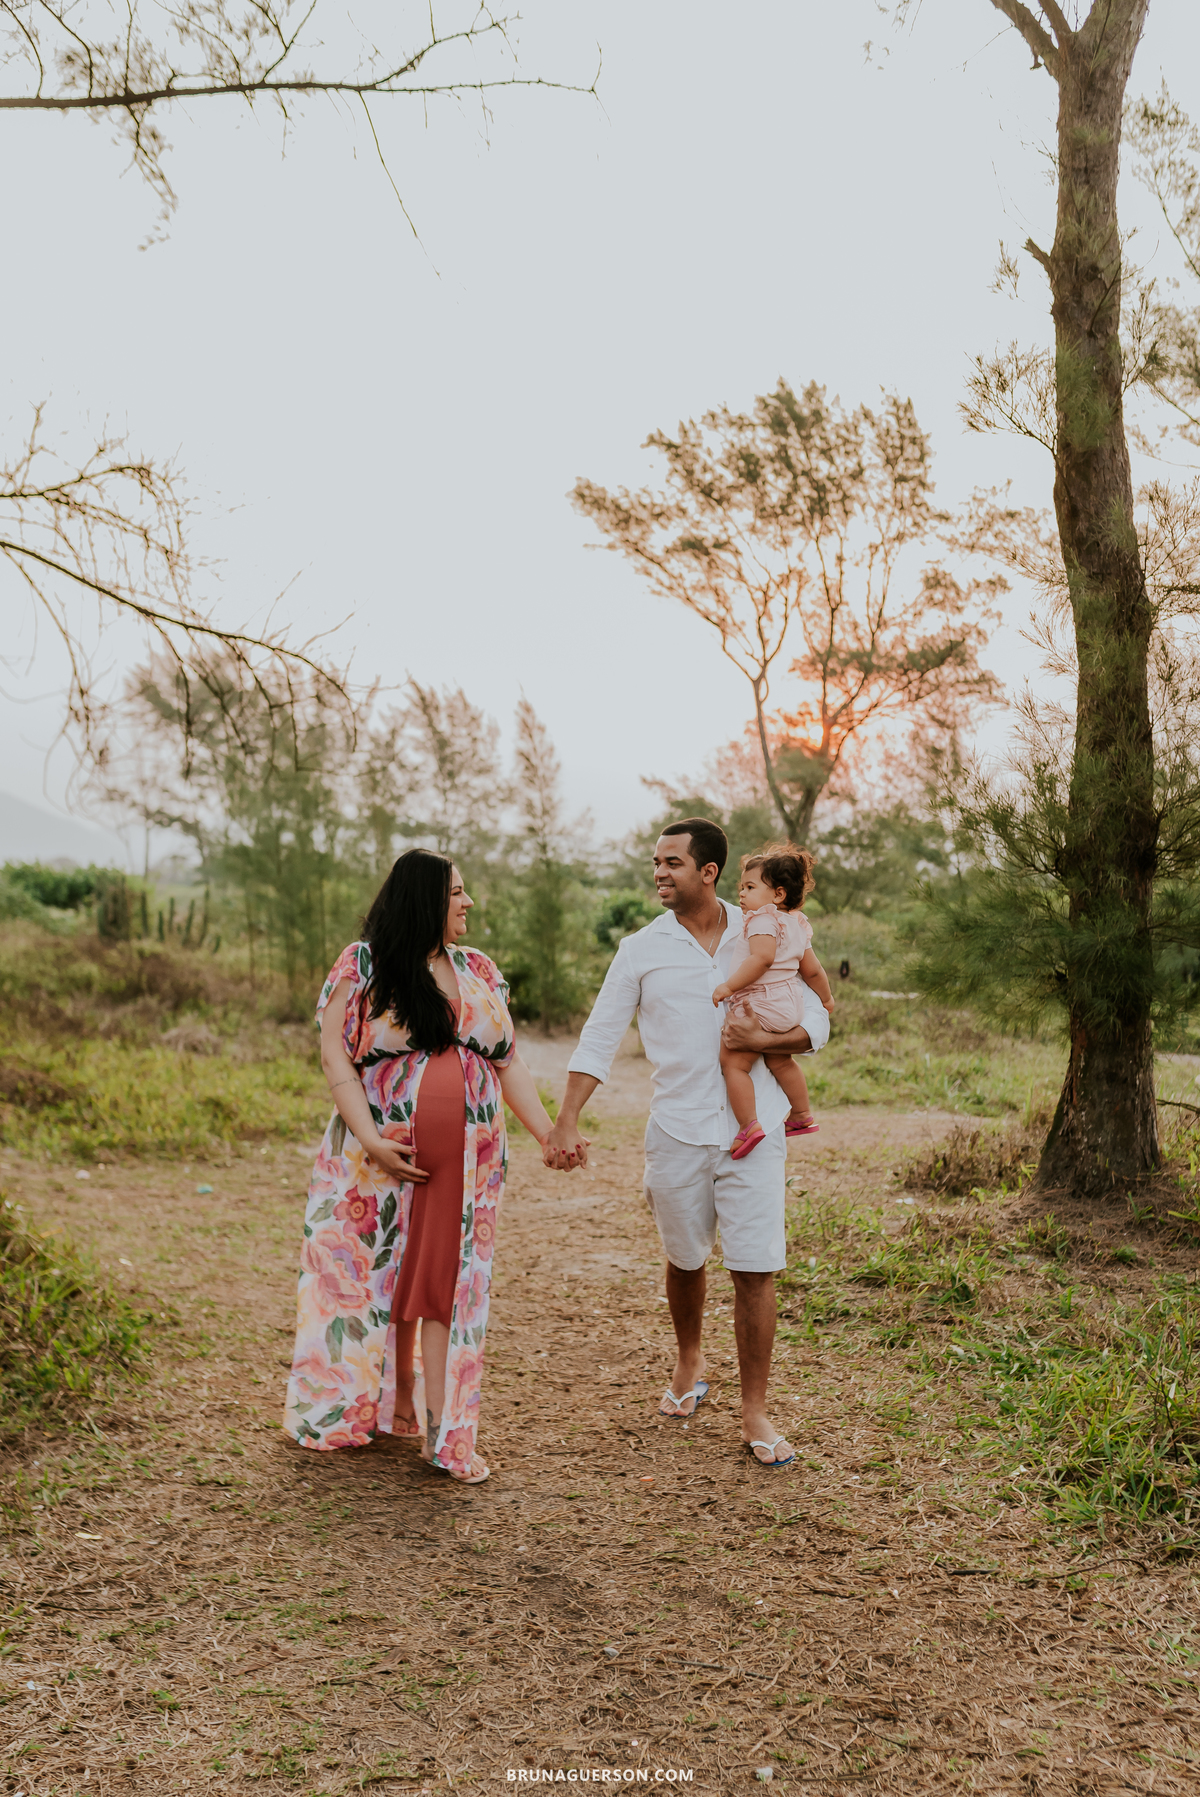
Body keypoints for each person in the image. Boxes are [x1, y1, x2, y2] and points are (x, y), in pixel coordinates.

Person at [543, 818, 829, 1468]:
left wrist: (769, 1042)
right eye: (655, 861)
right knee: (686, 1258)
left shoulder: (768, 925)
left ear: (710, 872)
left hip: (753, 1134)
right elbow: (599, 1036)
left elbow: (817, 1016)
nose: (659, 872)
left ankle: (755, 1409)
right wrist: (566, 1119)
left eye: (672, 861)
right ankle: (689, 1359)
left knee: (756, 1268)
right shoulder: (640, 949)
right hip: (675, 1132)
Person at [283, 848, 555, 1484]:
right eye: (456, 893)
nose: (468, 904)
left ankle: (443, 1433)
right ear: (425, 899)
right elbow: (335, 1058)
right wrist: (374, 1139)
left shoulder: (478, 968)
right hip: (374, 1156)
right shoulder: (365, 963)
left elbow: (507, 1060)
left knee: (445, 1283)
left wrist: (546, 1133)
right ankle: (374, 1407)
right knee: (373, 1275)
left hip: (468, 1161)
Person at [712, 845, 835, 1157]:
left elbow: (762, 959)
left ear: (778, 894)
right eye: (741, 887)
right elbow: (813, 970)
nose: (741, 894)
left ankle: (748, 1125)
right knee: (779, 1058)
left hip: (761, 1002)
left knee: (733, 1063)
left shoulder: (761, 920)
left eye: (750, 887)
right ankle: (801, 1114)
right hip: (788, 1005)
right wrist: (827, 998)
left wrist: (728, 985)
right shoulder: (795, 924)